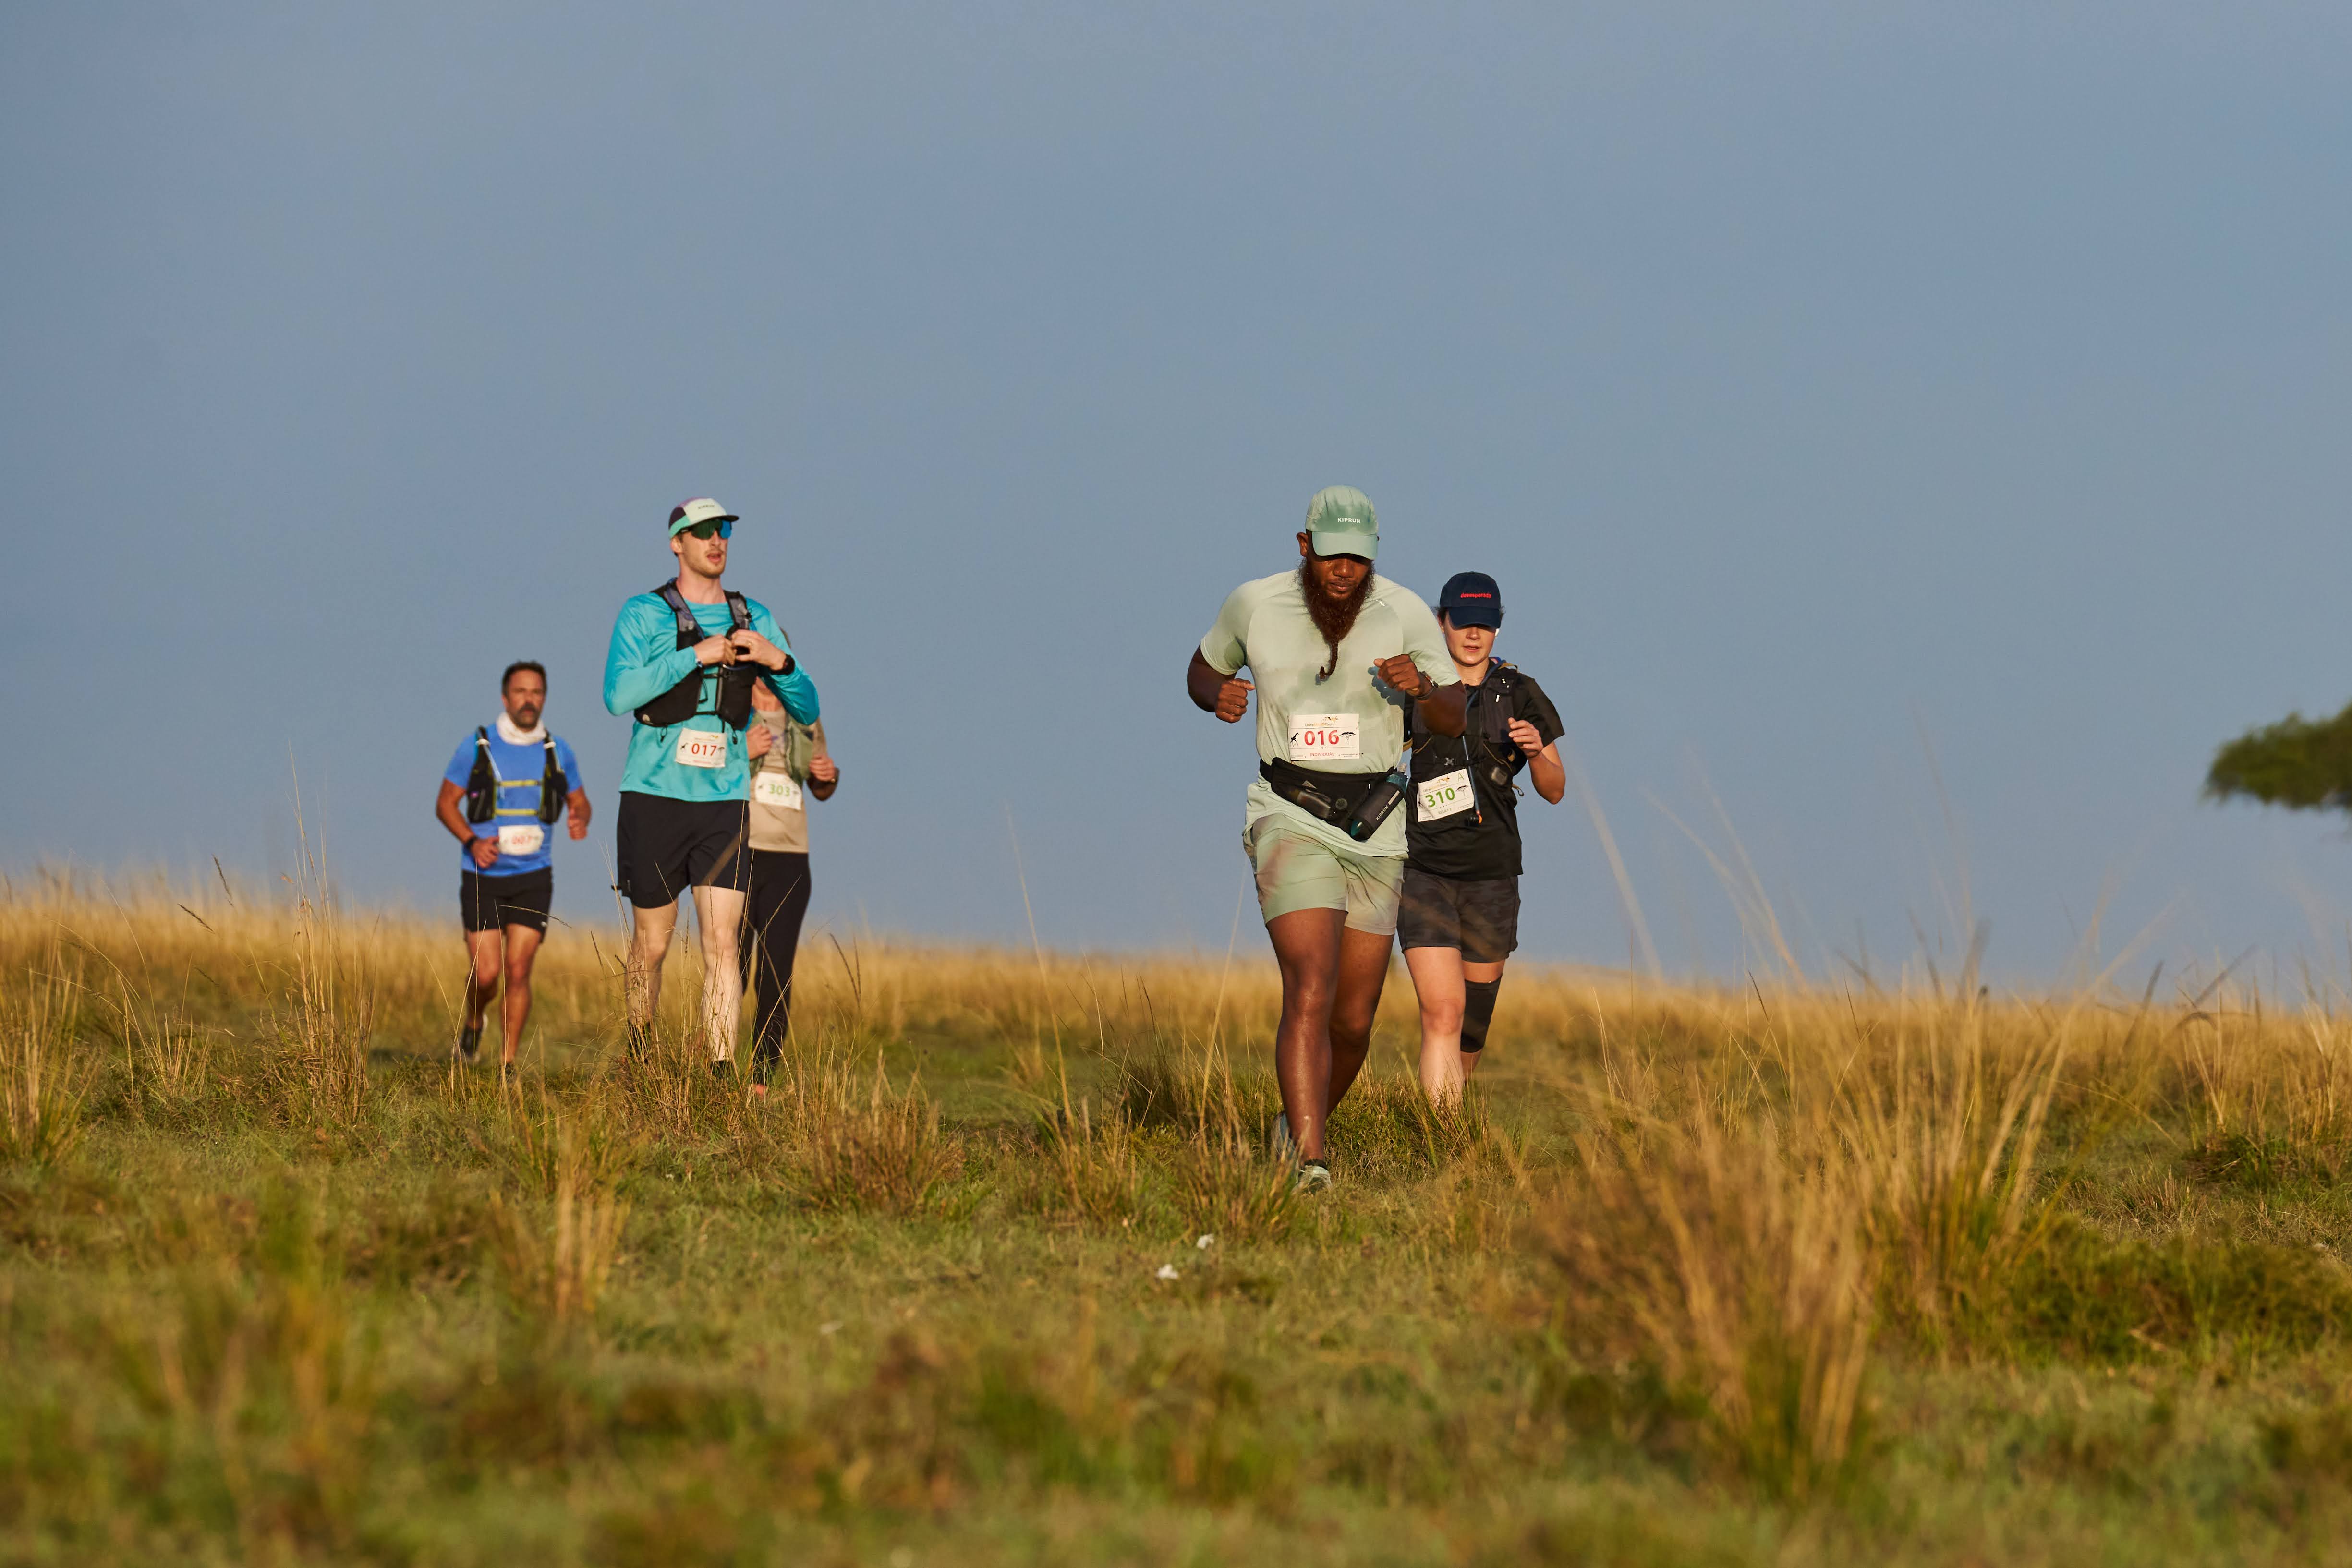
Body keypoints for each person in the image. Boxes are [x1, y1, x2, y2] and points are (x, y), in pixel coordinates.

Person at [1187, 485, 1466, 1192]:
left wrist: (1422, 690)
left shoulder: (1402, 611)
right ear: (1304, 546)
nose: (1345, 570)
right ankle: (1311, 1165)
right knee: (1309, 983)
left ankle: (1292, 1127)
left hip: (1375, 825)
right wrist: (1213, 693)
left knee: (1352, 1020)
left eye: (1359, 558)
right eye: (1333, 555)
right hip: (1288, 811)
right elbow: (1203, 665)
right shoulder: (1253, 602)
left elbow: (1452, 715)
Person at [603, 497, 818, 1074]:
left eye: (722, 530)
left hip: (724, 800)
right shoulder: (642, 614)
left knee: (723, 943)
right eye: (701, 532)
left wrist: (777, 661)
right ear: (677, 543)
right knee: (653, 941)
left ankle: (720, 1075)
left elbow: (808, 705)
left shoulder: (755, 616)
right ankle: (640, 1050)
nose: (715, 540)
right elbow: (617, 697)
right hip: (653, 794)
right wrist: (694, 655)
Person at [1397, 572, 1564, 1104]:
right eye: (1462, 623)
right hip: (1422, 869)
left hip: (1491, 873)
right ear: (1440, 620)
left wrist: (1537, 751)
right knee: (1441, 1011)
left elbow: (1555, 790)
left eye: (1485, 625)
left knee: (1473, 1016)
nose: (1473, 635)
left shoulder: (1519, 691)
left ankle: (1454, 1100)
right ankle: (1440, 1136)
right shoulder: (1414, 686)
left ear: (1497, 628)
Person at [432, 661, 591, 1067]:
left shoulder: (558, 751)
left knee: (518, 971)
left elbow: (579, 800)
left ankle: (507, 1064)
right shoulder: (478, 746)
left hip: (534, 876)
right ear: (506, 698)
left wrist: (580, 818)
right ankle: (473, 1021)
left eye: (536, 692)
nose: (529, 700)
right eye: (521, 692)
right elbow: (445, 804)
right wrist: (472, 840)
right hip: (483, 875)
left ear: (545, 699)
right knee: (487, 974)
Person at [739, 681, 840, 1094]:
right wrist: (739, 751)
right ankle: (717, 1061)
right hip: (738, 851)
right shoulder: (728, 707)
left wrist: (827, 777)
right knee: (730, 965)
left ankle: (762, 1076)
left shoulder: (806, 716)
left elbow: (822, 789)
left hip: (790, 858)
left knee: (776, 971)